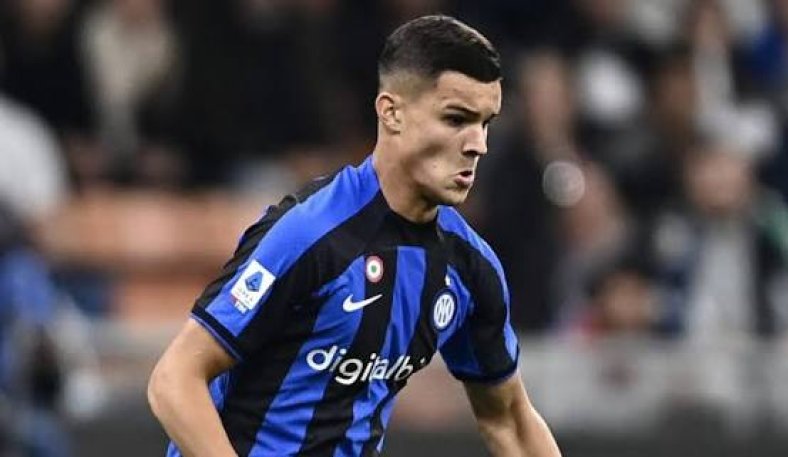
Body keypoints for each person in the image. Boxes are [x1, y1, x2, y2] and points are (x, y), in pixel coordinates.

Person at [147, 15, 562, 457]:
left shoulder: (469, 267)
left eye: (485, 123)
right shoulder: (311, 233)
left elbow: (508, 419)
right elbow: (175, 380)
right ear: (392, 112)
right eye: (456, 118)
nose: (478, 144)